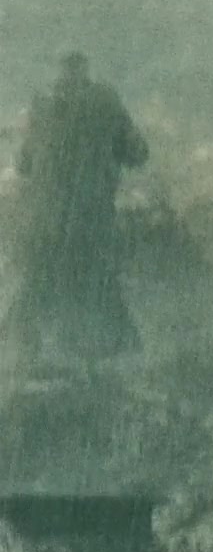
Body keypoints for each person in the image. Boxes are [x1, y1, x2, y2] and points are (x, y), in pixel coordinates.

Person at [2, 52, 148, 362]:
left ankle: (21, 353)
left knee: (35, 285)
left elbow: (23, 164)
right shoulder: (106, 103)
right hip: (89, 219)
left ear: (59, 75)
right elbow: (138, 153)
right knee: (100, 284)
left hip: (44, 223)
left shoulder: (41, 107)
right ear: (85, 73)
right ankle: (122, 355)